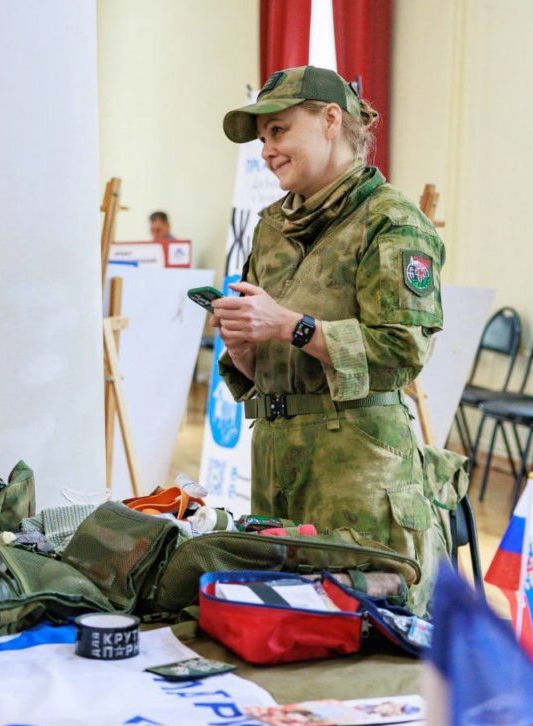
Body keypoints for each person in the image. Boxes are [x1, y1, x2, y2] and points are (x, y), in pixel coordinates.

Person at [213, 66, 463, 615]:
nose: (267, 151)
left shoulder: (391, 222)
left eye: (278, 131)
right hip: (276, 463)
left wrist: (289, 325)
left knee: (364, 632)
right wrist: (246, 346)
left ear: (330, 120)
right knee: (287, 626)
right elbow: (272, 363)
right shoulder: (273, 228)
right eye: (262, 139)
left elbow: (401, 353)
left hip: (357, 475)